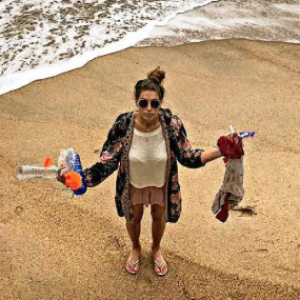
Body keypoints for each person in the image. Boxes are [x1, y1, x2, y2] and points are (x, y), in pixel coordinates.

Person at [57, 67, 243, 276]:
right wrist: (78, 179)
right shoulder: (123, 124)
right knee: (133, 219)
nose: (148, 108)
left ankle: (155, 248)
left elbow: (188, 155)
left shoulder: (172, 125)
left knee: (158, 218)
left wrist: (221, 150)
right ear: (136, 101)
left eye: (154, 103)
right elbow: (108, 161)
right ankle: (136, 248)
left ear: (160, 103)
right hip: (132, 184)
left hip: (161, 185)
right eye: (143, 103)